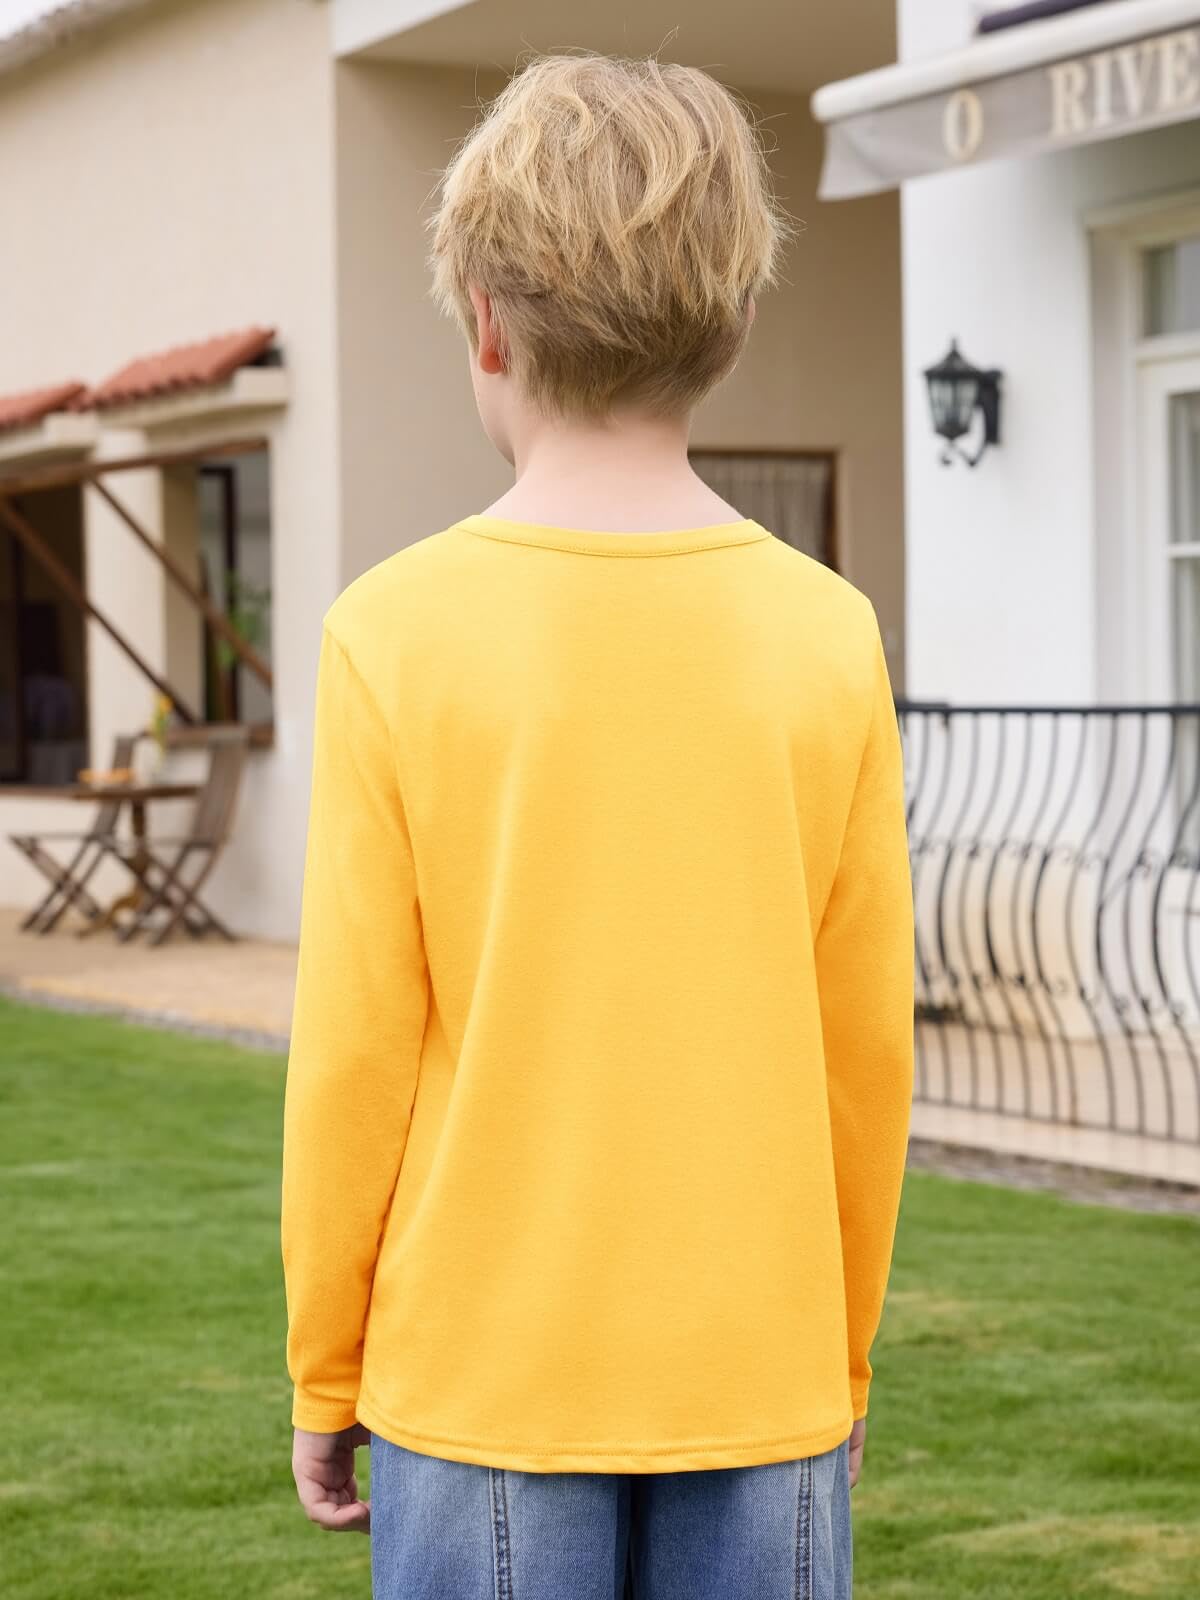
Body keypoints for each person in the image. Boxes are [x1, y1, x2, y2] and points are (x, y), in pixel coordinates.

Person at [281, 51, 914, 1600]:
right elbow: (864, 1055)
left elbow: (356, 1053)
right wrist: (839, 1355)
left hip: (480, 1376)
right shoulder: (827, 634)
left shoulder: (392, 634)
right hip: (761, 1368)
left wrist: (327, 1367)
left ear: (485, 322)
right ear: (735, 320)